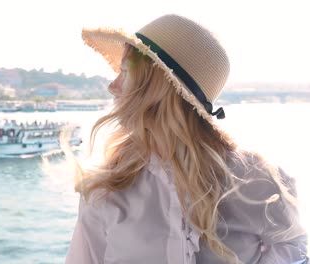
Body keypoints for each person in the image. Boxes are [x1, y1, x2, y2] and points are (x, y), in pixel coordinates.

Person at [65, 14, 308, 263]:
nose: (112, 87)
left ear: (159, 88)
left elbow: (294, 245)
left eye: (125, 72)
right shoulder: (108, 188)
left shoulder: (255, 178)